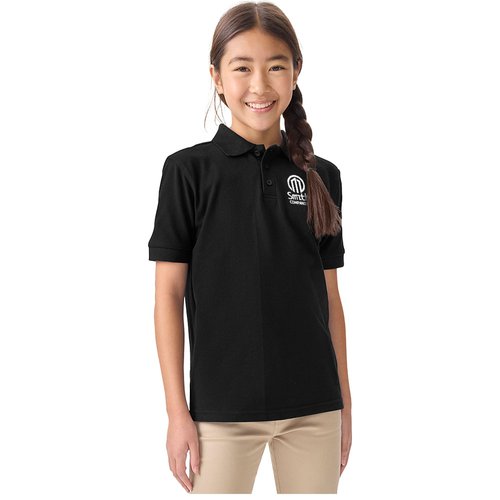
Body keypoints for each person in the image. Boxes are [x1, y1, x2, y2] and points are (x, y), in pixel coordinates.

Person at [148, 1, 352, 494]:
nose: (259, 85)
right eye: (242, 68)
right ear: (217, 77)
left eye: (275, 67)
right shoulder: (188, 172)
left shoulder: (322, 177)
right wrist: (177, 412)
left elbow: (329, 300)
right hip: (221, 412)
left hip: (314, 408)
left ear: (296, 72)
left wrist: (344, 405)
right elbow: (168, 298)